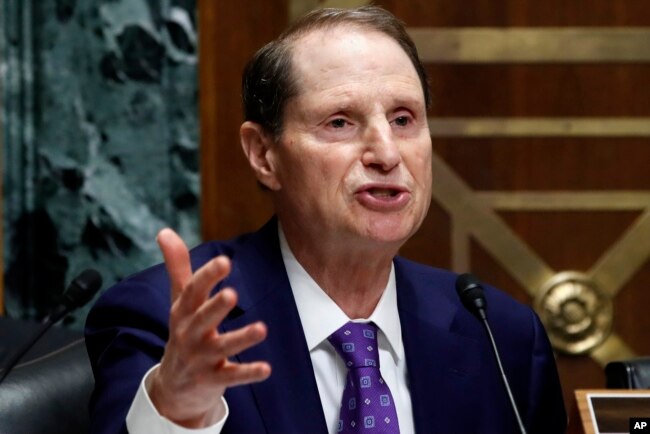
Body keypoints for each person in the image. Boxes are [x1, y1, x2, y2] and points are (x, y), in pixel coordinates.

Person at [85, 6, 567, 434]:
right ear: (263, 155)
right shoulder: (165, 321)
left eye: (403, 119)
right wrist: (177, 413)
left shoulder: (501, 335)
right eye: (340, 122)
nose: (386, 152)